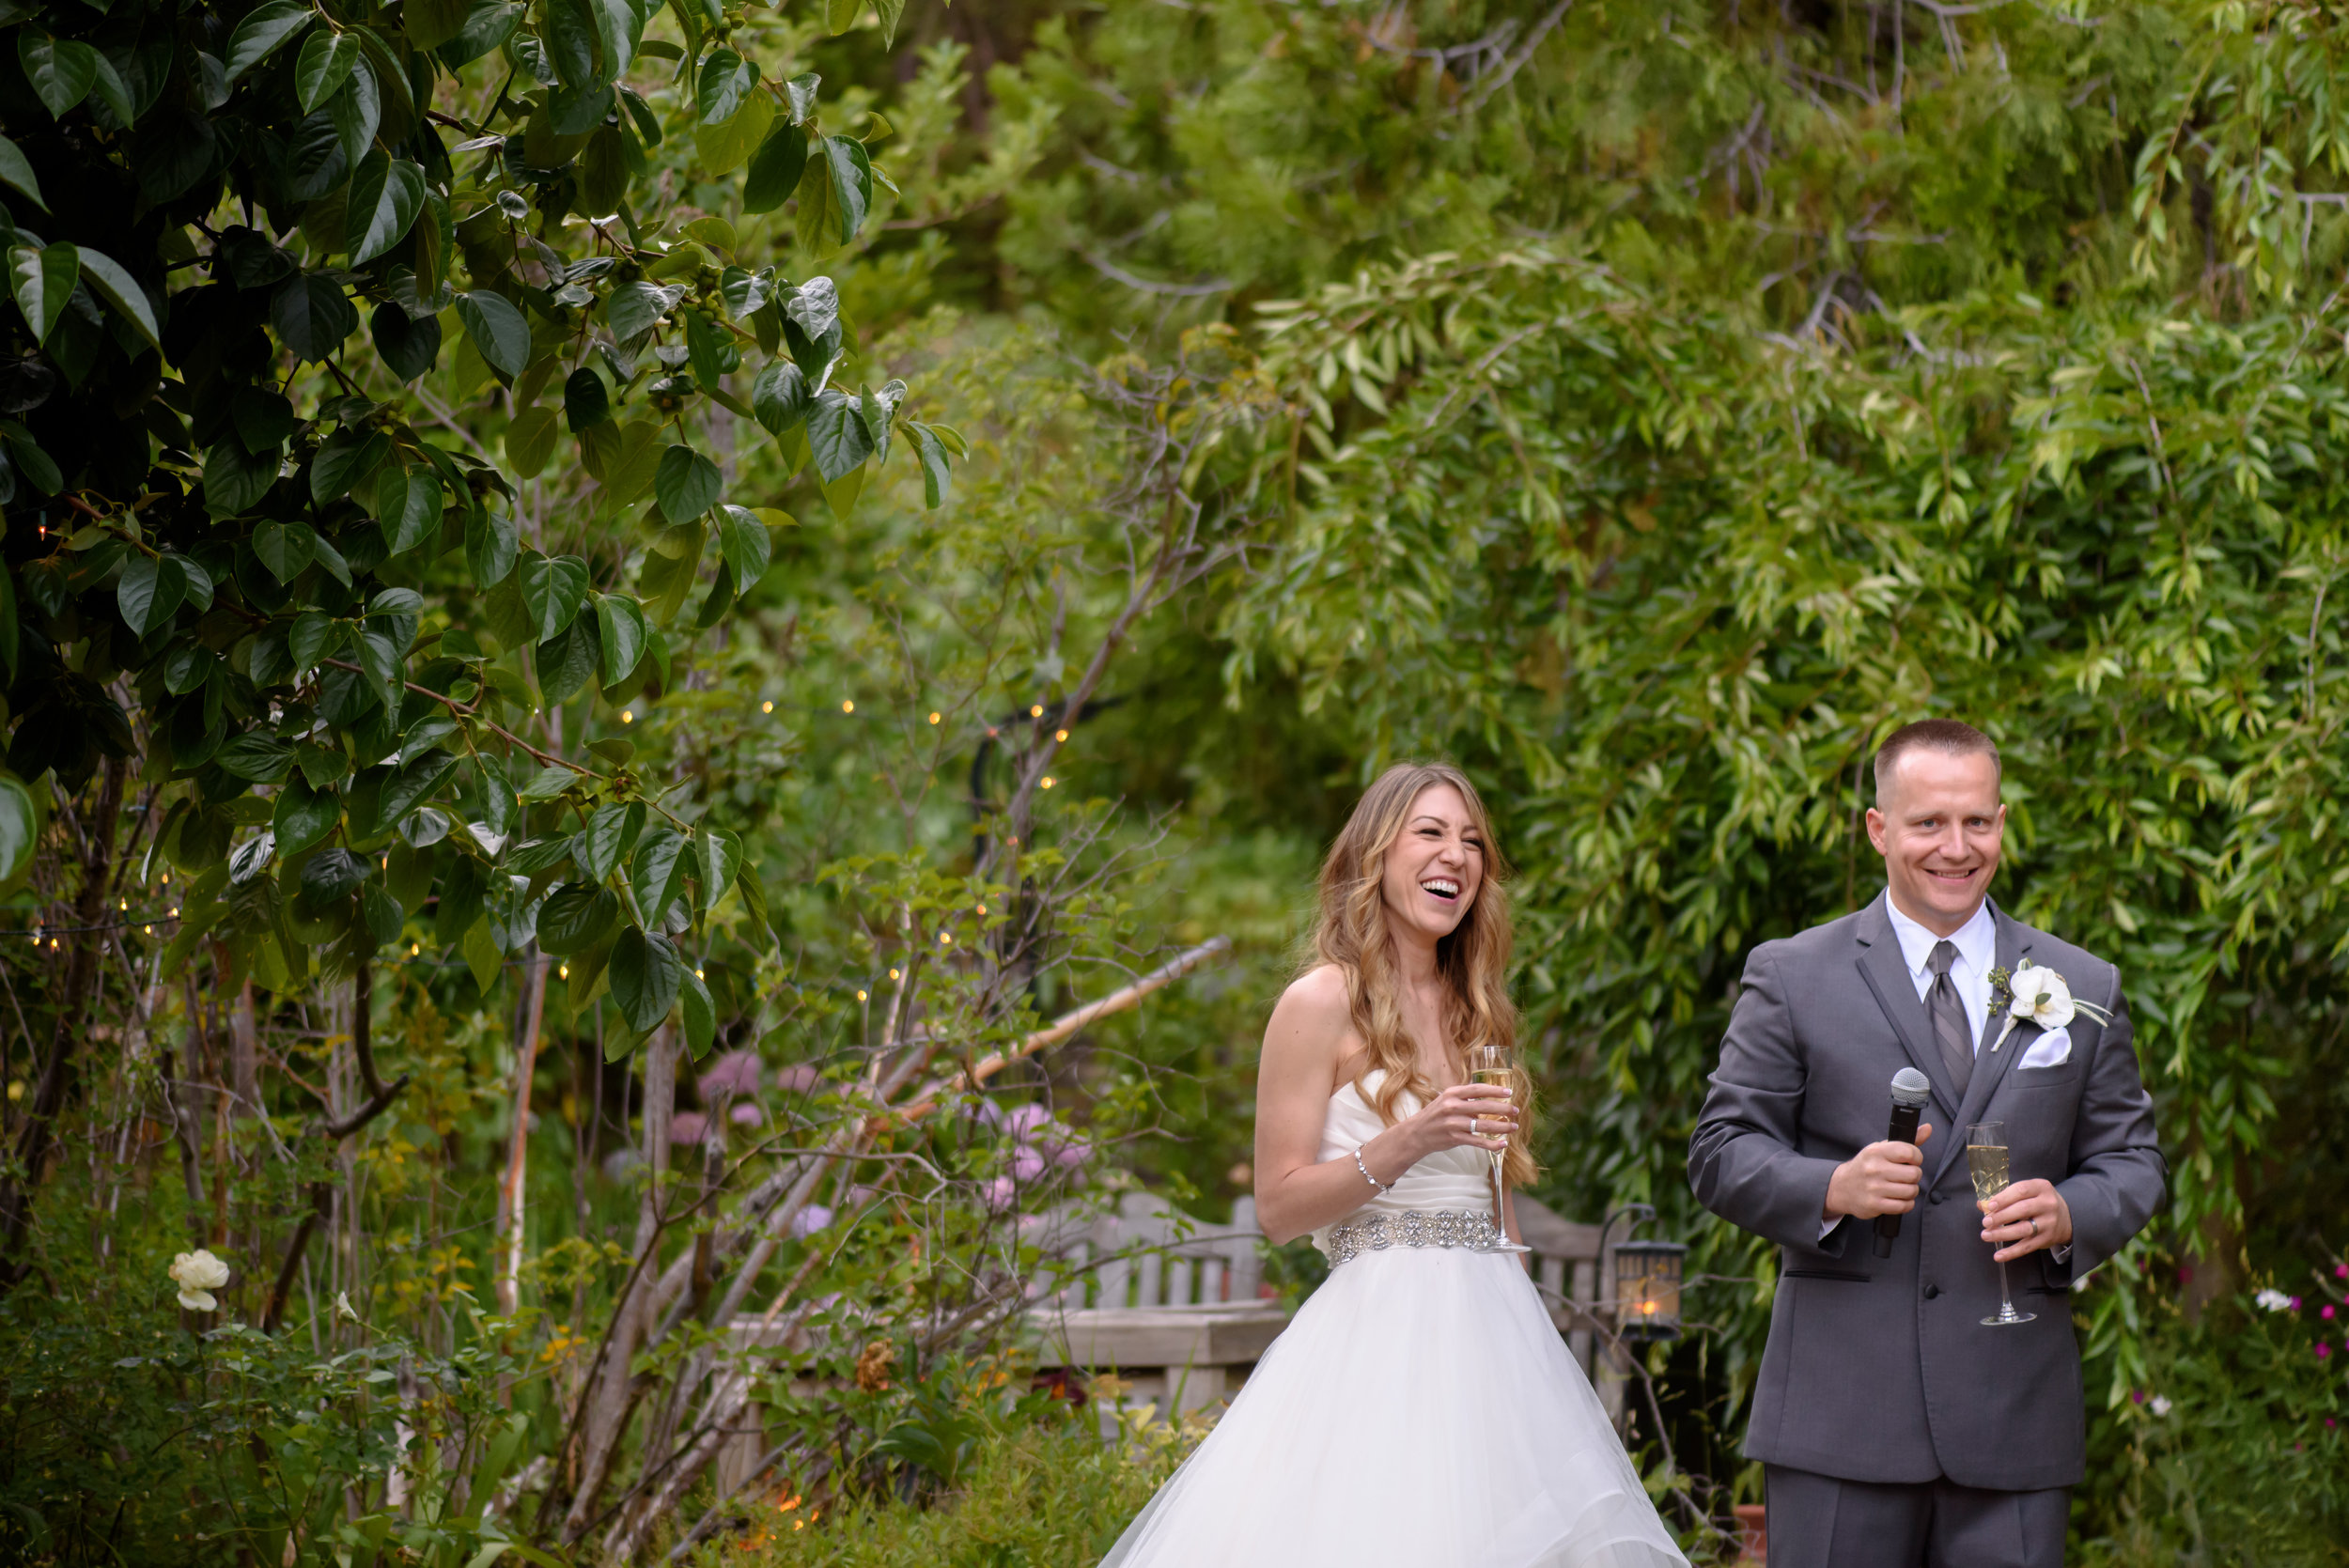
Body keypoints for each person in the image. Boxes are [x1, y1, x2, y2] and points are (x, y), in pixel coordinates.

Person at [1099, 763, 1687, 1568]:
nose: (1458, 854)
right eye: (1432, 832)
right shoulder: (1319, 1001)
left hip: (1496, 1344)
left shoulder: (1477, 1011)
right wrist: (1410, 1138)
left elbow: (1497, 1211)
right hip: (1376, 1342)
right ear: (1375, 852)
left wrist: (1532, 1355)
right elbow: (1277, 1206)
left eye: (1473, 841)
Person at [1688, 720, 2166, 1567]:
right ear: (1879, 828)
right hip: (1840, 1418)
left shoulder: (2080, 985)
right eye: (1928, 823)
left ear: (2003, 822)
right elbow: (1721, 1150)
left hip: (2011, 1417)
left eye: (1977, 822)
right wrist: (1833, 1187)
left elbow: (2133, 1162)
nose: (1956, 847)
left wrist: (2068, 1210)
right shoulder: (1793, 974)